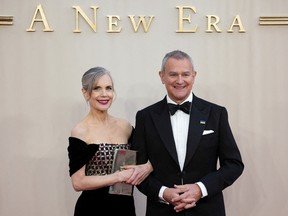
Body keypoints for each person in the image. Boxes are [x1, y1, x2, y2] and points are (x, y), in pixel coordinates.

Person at [132, 50, 244, 216]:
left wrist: (201, 188)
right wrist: (163, 193)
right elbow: (137, 169)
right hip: (162, 211)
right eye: (172, 74)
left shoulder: (216, 113)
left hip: (207, 210)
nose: (179, 81)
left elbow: (234, 164)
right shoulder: (145, 117)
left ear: (194, 76)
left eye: (185, 74)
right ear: (161, 76)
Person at [67, 66, 153, 216]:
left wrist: (148, 167)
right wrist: (118, 177)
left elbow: (150, 154)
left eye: (109, 88)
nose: (104, 94)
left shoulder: (125, 127)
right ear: (85, 93)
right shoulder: (80, 131)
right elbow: (78, 183)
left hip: (125, 207)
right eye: (97, 88)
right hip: (92, 208)